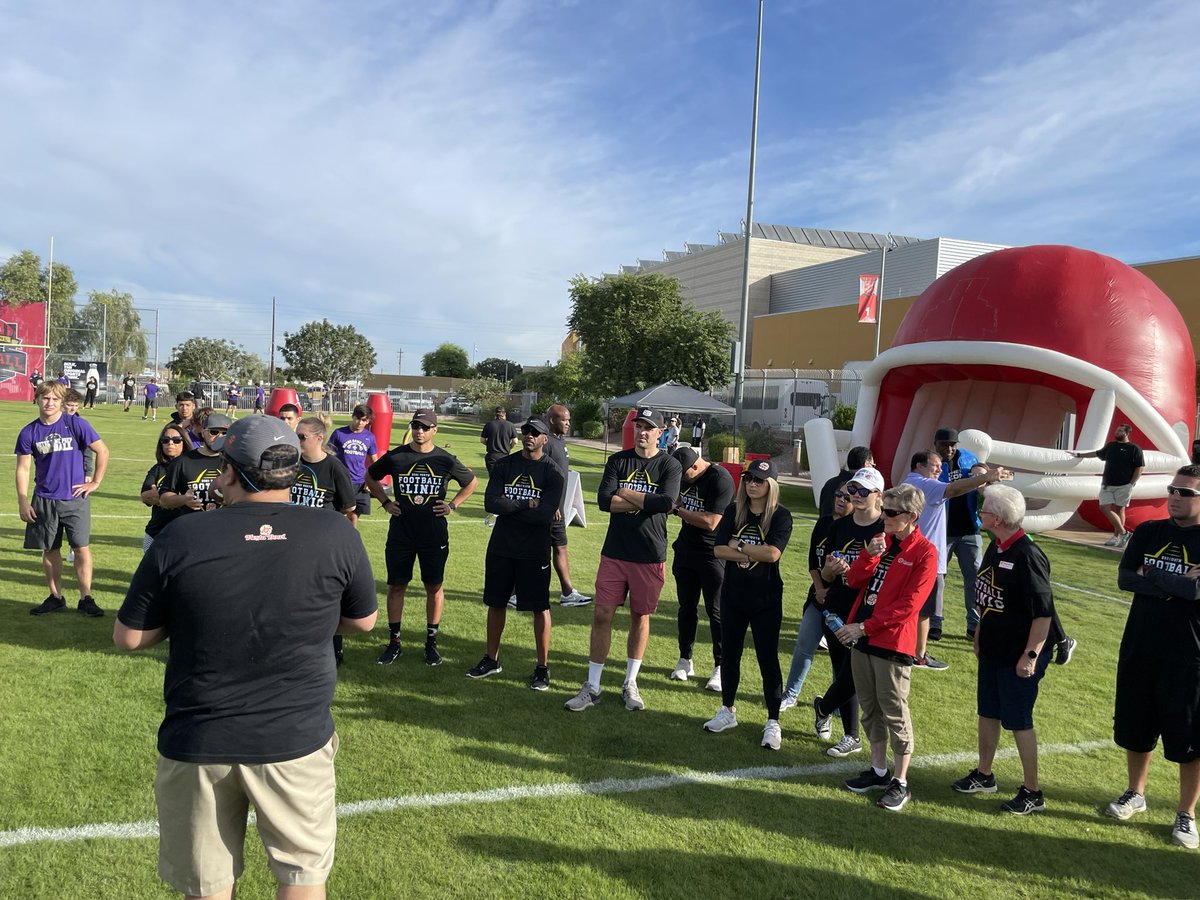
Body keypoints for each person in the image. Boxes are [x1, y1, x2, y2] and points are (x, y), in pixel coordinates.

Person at [114, 415, 377, 898]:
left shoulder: (183, 536)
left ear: (229, 472)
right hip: (295, 737)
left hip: (201, 737)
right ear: (294, 471)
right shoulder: (335, 533)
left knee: (207, 885)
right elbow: (362, 621)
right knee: (302, 877)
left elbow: (129, 637)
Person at [1105, 465, 1200, 849]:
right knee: (1137, 727)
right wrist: (1177, 583)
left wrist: (1152, 575)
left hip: (1189, 656)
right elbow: (1125, 578)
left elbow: (1196, 595)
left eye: (1186, 492)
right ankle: (1135, 792)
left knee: (1189, 737)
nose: (1175, 496)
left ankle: (1186, 814)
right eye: (1173, 489)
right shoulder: (1147, 532)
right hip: (1140, 646)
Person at [951, 484, 1060, 814]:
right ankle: (985, 774)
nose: (979, 514)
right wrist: (980, 633)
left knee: (1018, 720)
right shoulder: (995, 546)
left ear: (996, 518)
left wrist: (1031, 655)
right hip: (994, 648)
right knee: (988, 711)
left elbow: (1043, 613)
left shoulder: (1027, 555)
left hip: (1020, 654)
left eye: (982, 510)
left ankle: (1033, 791)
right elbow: (988, 596)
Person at [565, 408, 681, 713]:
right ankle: (592, 686)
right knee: (602, 615)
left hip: (649, 554)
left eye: (648, 427)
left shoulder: (669, 464)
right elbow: (604, 501)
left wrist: (626, 493)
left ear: (660, 433)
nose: (642, 432)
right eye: (638, 426)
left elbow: (666, 503)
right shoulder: (618, 460)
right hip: (614, 553)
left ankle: (630, 682)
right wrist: (643, 502)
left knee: (640, 618)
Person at [836, 483, 938, 811]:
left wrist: (863, 627)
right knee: (870, 709)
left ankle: (901, 781)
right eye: (885, 511)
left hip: (891, 642)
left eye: (892, 513)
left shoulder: (925, 552)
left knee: (895, 712)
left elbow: (910, 606)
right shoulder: (884, 542)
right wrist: (869, 554)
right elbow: (853, 581)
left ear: (911, 516)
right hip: (863, 638)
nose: (885, 517)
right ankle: (879, 771)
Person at [366, 409, 477, 667]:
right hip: (401, 533)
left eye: (425, 427)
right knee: (396, 586)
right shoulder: (397, 456)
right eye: (416, 426)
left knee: (434, 587)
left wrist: (452, 505)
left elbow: (470, 482)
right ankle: (394, 643)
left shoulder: (445, 459)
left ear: (434, 430)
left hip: (433, 534)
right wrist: (385, 502)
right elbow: (371, 475)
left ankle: (431, 643)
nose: (420, 431)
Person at [702, 459, 794, 750]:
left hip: (765, 599)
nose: (753, 484)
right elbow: (717, 549)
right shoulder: (733, 510)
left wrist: (739, 547)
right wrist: (746, 551)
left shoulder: (780, 516)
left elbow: (772, 554)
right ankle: (727, 710)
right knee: (730, 656)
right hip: (733, 596)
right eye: (749, 478)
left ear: (771, 485)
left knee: (768, 660)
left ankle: (773, 722)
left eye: (759, 480)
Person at [468, 417, 565, 690]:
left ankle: (542, 667)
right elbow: (491, 502)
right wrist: (526, 503)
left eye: (536, 433)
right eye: (526, 432)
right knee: (496, 602)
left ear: (546, 438)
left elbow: (545, 515)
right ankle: (491, 659)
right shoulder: (505, 464)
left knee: (539, 607)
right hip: (502, 546)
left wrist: (512, 507)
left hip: (534, 550)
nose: (529, 436)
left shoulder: (553, 473)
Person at [903, 450, 1010, 671]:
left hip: (912, 555)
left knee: (912, 605)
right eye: (934, 466)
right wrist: (988, 476)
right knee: (923, 609)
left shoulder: (910, 483)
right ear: (919, 466)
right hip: (925, 559)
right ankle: (918, 655)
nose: (939, 470)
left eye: (940, 467)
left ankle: (906, 648)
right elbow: (954, 489)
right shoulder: (924, 484)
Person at [15, 381, 110, 617]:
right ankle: (55, 597)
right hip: (44, 498)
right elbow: (23, 469)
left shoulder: (75, 423)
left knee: (81, 548)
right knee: (50, 549)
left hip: (74, 498)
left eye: (55, 399)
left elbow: (102, 450)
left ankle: (86, 598)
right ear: (37, 399)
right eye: (45, 398)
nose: (50, 403)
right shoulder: (29, 432)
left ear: (61, 401)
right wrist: (23, 500)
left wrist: (95, 481)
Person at [810, 467, 886, 757]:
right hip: (837, 607)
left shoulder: (884, 529)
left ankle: (824, 707)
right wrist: (830, 571)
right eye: (853, 489)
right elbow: (827, 576)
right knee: (845, 669)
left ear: (878, 496)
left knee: (854, 673)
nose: (855, 495)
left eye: (863, 491)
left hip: (868, 609)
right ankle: (851, 735)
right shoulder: (838, 527)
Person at [781, 483, 852, 713]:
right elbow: (814, 561)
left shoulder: (855, 529)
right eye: (838, 495)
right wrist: (820, 589)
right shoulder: (823, 523)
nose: (841, 500)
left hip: (843, 602)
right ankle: (790, 694)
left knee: (839, 657)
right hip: (818, 598)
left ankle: (837, 703)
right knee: (804, 644)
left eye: (847, 497)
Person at [669, 445, 734, 690]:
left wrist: (677, 510)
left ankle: (720, 666)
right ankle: (685, 659)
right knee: (686, 608)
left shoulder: (720, 479)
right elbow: (675, 497)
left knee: (716, 611)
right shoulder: (684, 476)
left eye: (684, 474)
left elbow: (711, 521)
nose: (683, 480)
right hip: (686, 550)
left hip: (713, 553)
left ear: (696, 466)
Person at [933, 427, 985, 639]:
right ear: (935, 444)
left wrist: (984, 474)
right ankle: (934, 622)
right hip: (941, 532)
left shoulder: (969, 458)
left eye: (953, 444)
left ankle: (974, 625)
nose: (949, 449)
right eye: (944, 444)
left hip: (970, 530)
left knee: (974, 579)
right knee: (936, 578)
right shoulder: (930, 464)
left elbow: (982, 476)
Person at [1069, 424, 1145, 547]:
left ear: (1126, 433)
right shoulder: (1111, 446)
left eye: (1120, 431)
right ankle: (1124, 532)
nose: (1117, 432)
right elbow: (1097, 453)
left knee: (1120, 509)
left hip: (1124, 485)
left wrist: (1131, 484)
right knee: (1104, 507)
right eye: (1117, 430)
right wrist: (1079, 455)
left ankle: (1117, 537)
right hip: (1107, 485)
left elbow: (1140, 467)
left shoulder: (1134, 449)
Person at [545, 403, 591, 606]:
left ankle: (567, 593)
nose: (568, 423)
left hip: (558, 508)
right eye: (564, 420)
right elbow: (540, 475)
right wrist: (551, 504)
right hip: (548, 509)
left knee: (561, 547)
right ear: (552, 420)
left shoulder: (560, 440)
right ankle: (514, 592)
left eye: (569, 420)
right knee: (536, 551)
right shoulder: (545, 441)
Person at [157, 411, 232, 515]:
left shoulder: (234, 463)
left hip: (225, 526)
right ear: (202, 431)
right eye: (214, 432)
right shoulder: (183, 461)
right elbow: (164, 499)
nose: (219, 437)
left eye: (225, 433)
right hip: (192, 526)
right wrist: (184, 499)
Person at [140, 424, 190, 552]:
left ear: (184, 442)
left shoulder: (191, 468)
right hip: (156, 533)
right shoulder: (157, 469)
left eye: (176, 440)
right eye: (165, 440)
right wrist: (178, 499)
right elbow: (146, 496)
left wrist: (165, 497)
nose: (170, 443)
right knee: (151, 571)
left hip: (185, 534)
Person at [328, 403, 379, 528]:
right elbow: (327, 454)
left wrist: (371, 481)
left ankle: (352, 541)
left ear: (367, 422)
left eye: (363, 420)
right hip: (341, 480)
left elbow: (375, 461)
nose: (359, 422)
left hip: (360, 482)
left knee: (354, 516)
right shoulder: (339, 433)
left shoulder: (369, 437)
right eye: (357, 418)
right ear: (353, 416)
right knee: (338, 512)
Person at [818, 446, 874, 518]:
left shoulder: (830, 483)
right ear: (866, 464)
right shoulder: (860, 488)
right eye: (873, 466)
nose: (841, 499)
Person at [480, 406, 519, 474]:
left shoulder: (489, 424)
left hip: (492, 456)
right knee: (504, 478)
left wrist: (490, 443)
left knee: (493, 478)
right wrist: (509, 447)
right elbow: (515, 441)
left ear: (495, 414)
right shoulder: (510, 425)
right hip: (505, 456)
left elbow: (482, 440)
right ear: (505, 414)